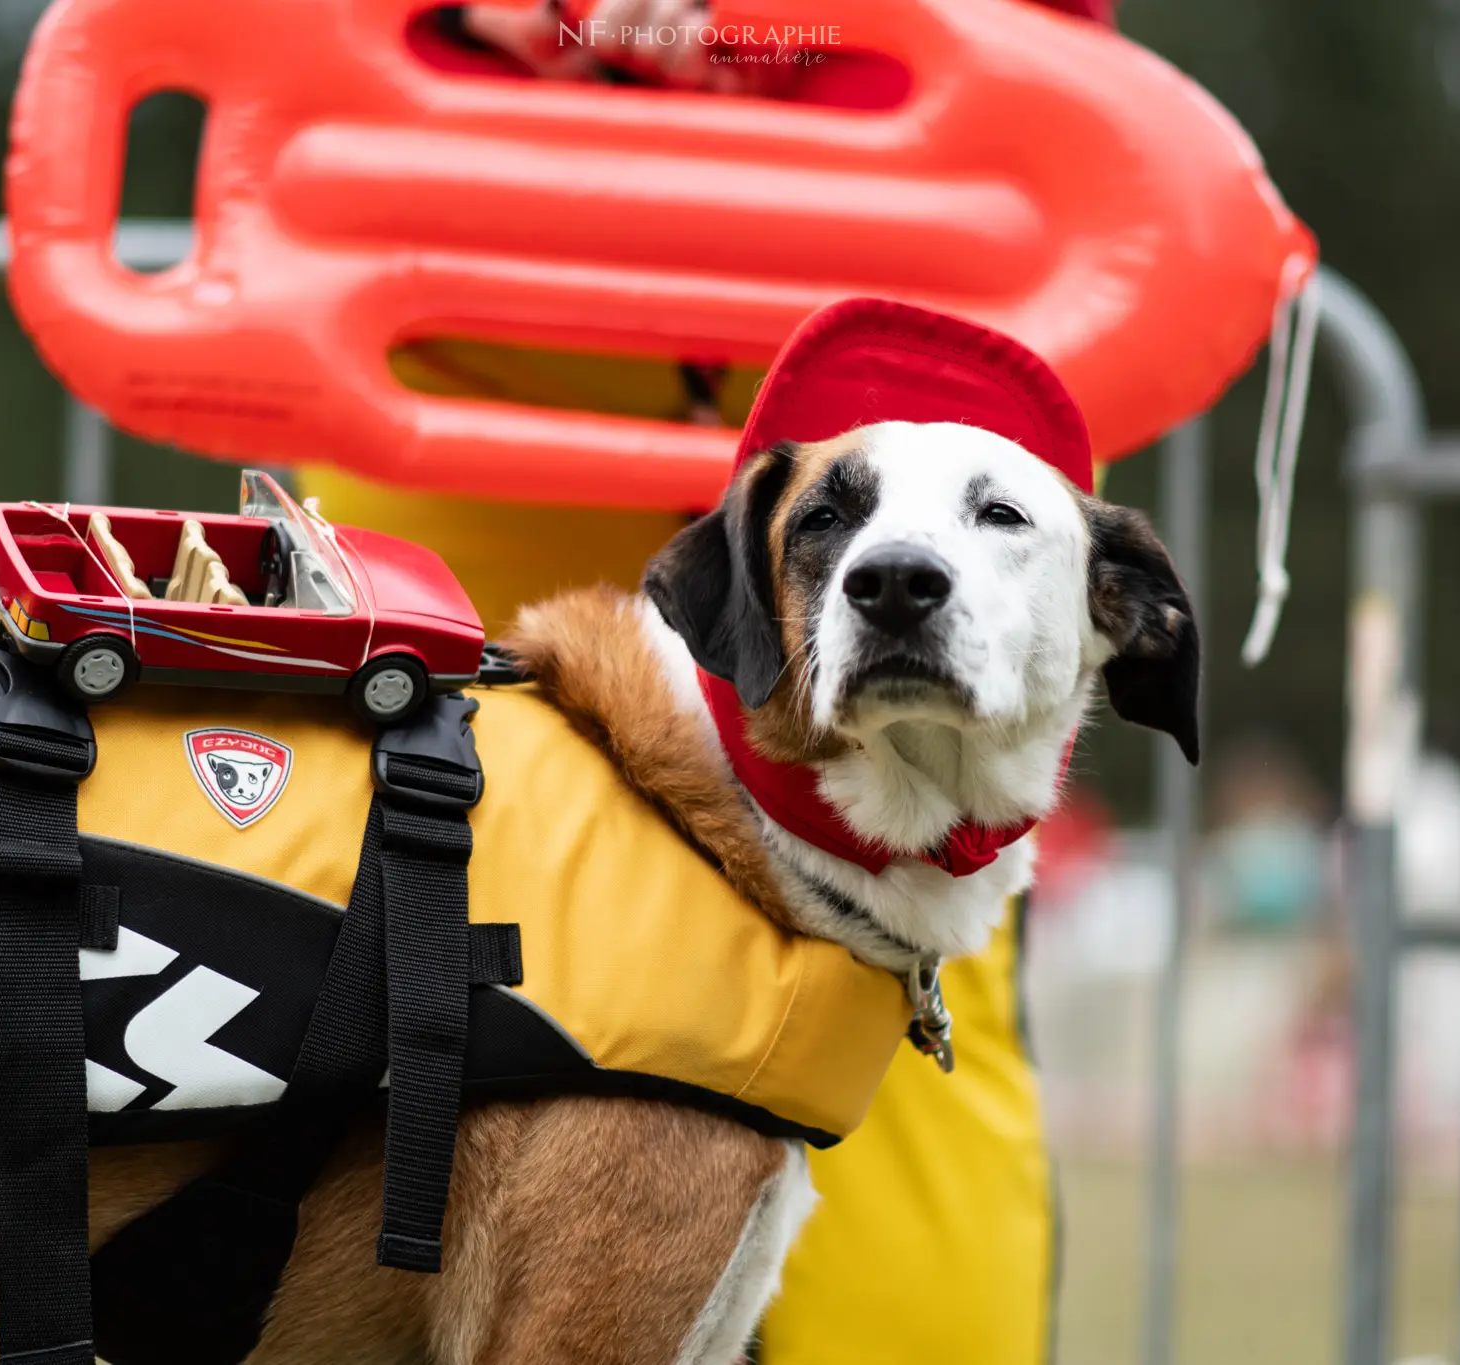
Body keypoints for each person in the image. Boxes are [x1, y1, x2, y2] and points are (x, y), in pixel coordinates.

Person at [305, 4, 1123, 1356]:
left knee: (916, 892)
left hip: (892, 231)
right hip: (462, 278)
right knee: (403, 898)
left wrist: (777, 27)